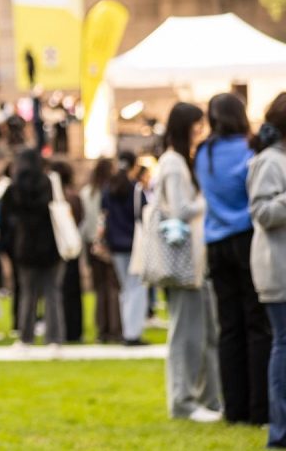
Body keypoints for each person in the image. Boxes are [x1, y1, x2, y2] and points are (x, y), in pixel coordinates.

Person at [196, 92, 270, 426]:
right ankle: (259, 408)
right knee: (256, 323)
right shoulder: (249, 149)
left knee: (229, 327)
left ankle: (234, 408)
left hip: (216, 242)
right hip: (246, 239)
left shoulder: (204, 152)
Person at [155, 101, 222, 423]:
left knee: (208, 332)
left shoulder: (181, 160)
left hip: (195, 260)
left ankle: (209, 398)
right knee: (186, 334)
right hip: (183, 260)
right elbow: (178, 209)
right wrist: (209, 198)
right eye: (197, 124)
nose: (201, 129)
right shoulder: (172, 163)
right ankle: (183, 401)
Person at [247, 93, 286, 448]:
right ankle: (280, 432)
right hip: (277, 270)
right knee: (283, 345)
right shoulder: (268, 162)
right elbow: (262, 212)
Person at [0, 149, 64, 348]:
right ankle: (53, 338)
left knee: (28, 293)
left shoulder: (14, 187)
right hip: (50, 245)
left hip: (25, 246)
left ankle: (26, 336)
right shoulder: (48, 182)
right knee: (52, 292)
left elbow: (5, 218)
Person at [104, 154, 147, 346]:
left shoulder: (108, 189)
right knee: (136, 287)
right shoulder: (136, 190)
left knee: (125, 288)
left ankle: (127, 329)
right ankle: (132, 333)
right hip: (134, 244)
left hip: (115, 244)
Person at [80, 157, 122, 343]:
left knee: (100, 288)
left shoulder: (87, 192)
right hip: (109, 243)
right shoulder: (113, 191)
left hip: (91, 244)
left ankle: (102, 329)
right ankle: (115, 328)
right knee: (114, 286)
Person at [52, 160, 84, 343]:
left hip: (61, 247)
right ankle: (75, 330)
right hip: (72, 246)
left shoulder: (59, 198)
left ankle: (64, 329)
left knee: (62, 289)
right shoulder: (73, 196)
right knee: (73, 290)